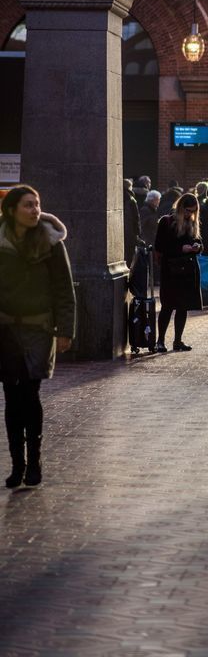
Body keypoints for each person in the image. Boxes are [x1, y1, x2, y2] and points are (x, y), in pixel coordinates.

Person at [0, 185, 75, 489]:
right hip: (5, 329)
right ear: (11, 210)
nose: (35, 210)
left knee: (29, 395)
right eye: (28, 205)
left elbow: (63, 289)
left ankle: (35, 462)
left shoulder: (50, 242)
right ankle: (17, 464)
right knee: (11, 396)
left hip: (39, 328)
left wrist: (66, 330)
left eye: (37, 204)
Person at [154, 192, 204, 353]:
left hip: (187, 270)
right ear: (181, 208)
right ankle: (160, 340)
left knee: (183, 307)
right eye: (188, 211)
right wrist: (180, 249)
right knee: (168, 306)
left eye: (193, 211)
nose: (190, 214)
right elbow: (160, 246)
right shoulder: (166, 222)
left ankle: (178, 340)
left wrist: (197, 247)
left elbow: (198, 241)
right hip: (171, 270)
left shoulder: (192, 222)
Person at [123, 177, 142, 268]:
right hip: (130, 232)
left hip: (121, 232)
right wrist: (137, 233)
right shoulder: (131, 199)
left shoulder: (117, 197)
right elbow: (136, 217)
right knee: (130, 257)